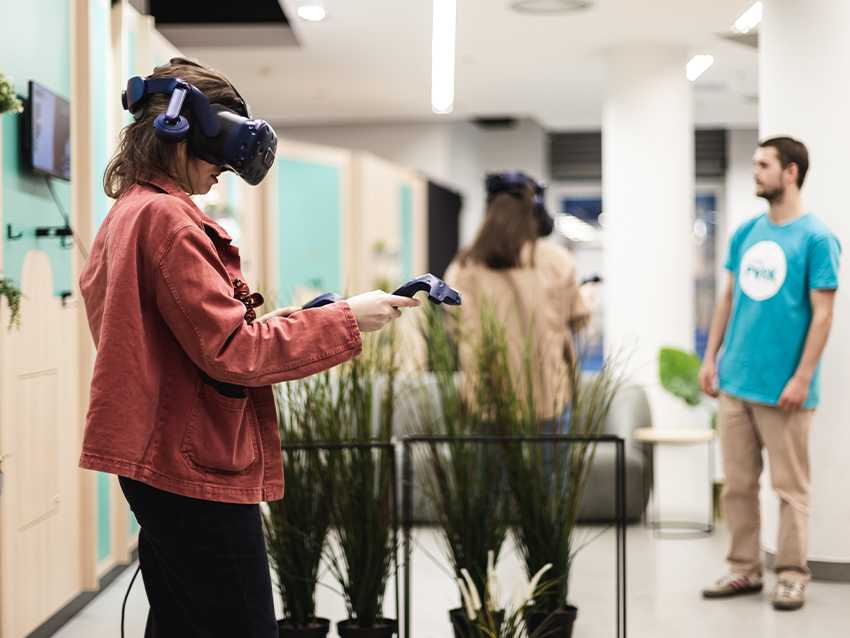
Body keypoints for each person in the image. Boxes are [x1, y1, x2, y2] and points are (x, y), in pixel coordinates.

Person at [78, 58, 418, 638]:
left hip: (158, 458)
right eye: (222, 152)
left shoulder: (128, 212)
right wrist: (347, 321)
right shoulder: (170, 221)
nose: (224, 173)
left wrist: (308, 319)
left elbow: (189, 338)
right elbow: (235, 352)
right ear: (191, 134)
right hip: (192, 461)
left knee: (184, 621)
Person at [699, 137, 840, 611]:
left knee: (789, 488)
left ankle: (793, 574)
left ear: (792, 171)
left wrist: (801, 377)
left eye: (764, 164)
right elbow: (728, 299)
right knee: (738, 486)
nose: (755, 171)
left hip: (786, 390)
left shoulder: (817, 238)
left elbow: (823, 315)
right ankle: (743, 570)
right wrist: (710, 357)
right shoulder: (745, 234)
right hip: (736, 382)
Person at [444, 171, 590, 431]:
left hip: (486, 403)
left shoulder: (464, 267)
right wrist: (586, 296)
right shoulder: (555, 261)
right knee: (549, 473)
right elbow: (579, 319)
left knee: (486, 473)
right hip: (548, 400)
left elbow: (455, 329)